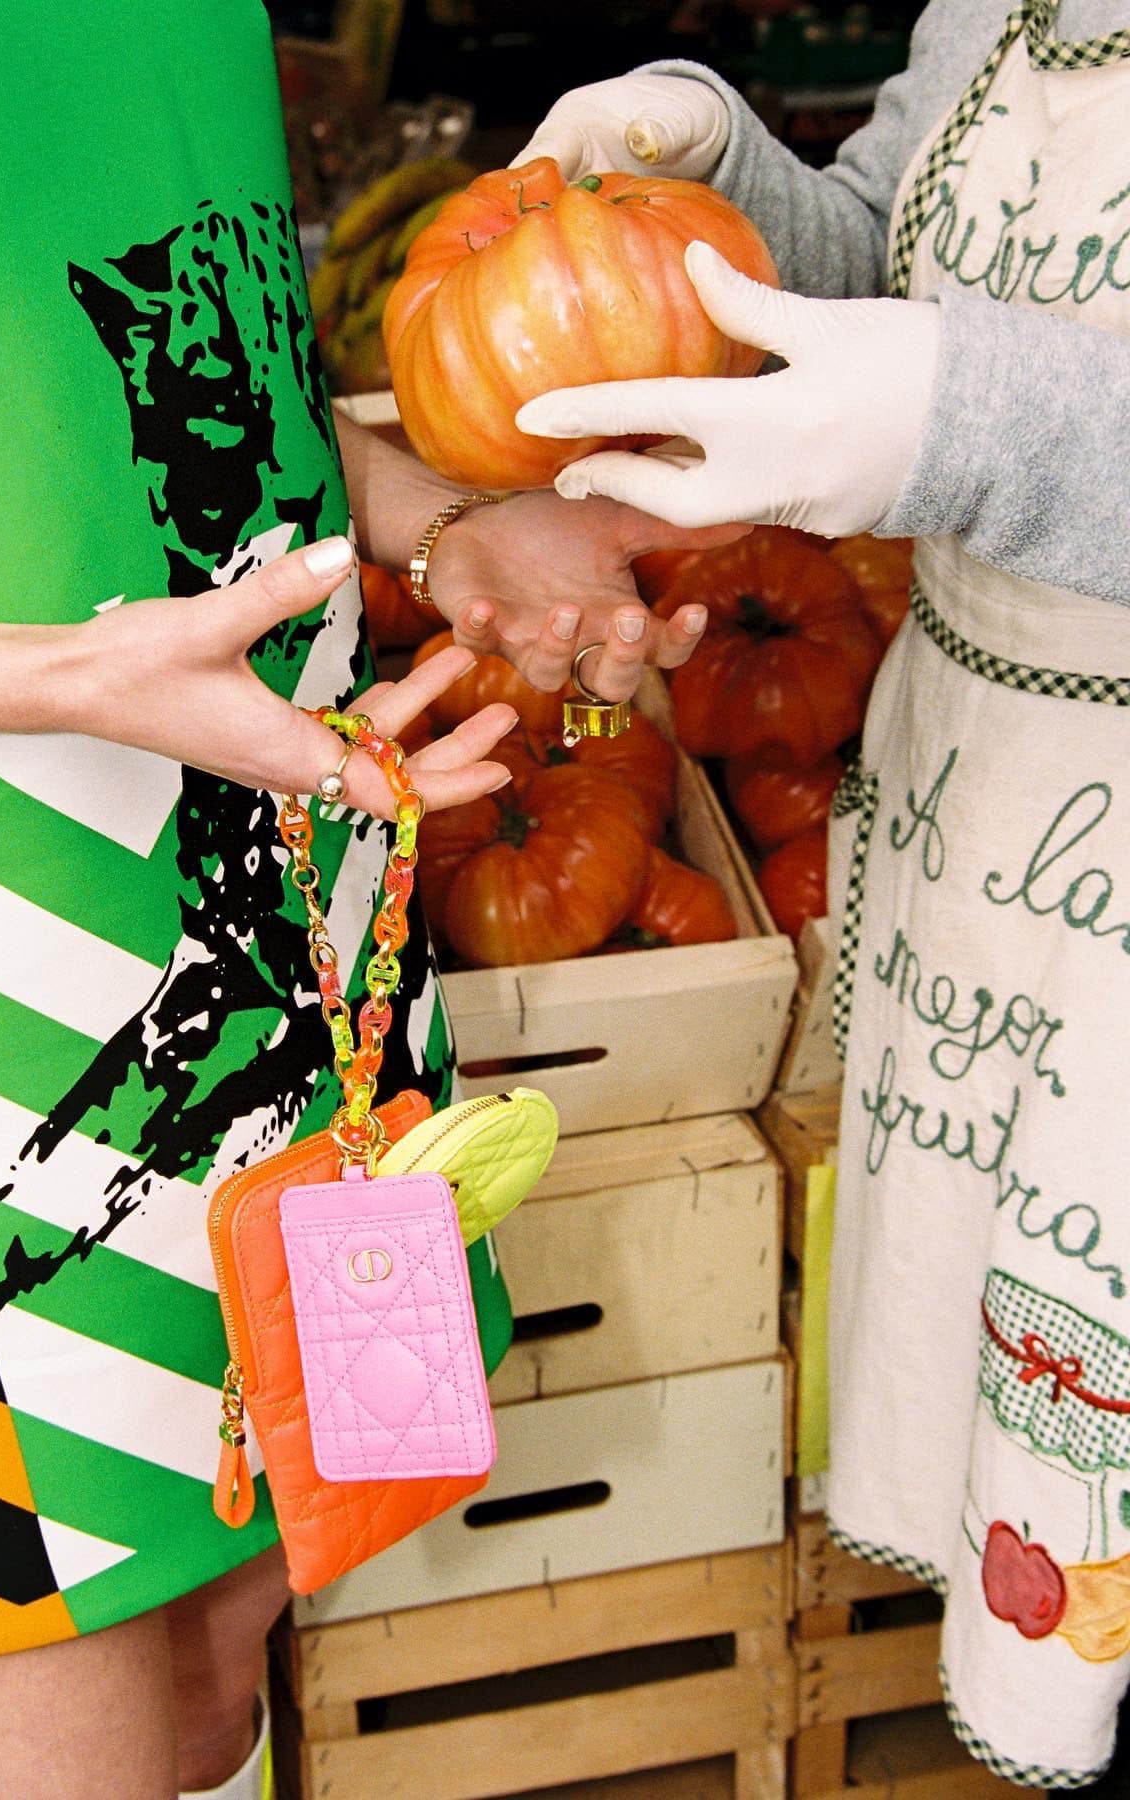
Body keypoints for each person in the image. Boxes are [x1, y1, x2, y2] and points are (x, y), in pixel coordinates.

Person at [0, 7, 723, 1797]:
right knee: (63, 1732)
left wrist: (431, 521)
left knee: (216, 1673)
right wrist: (64, 682)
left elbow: (91, 337)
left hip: (276, 885)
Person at [512, 0, 1130, 1785]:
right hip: (994, 831)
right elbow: (904, 247)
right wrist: (737, 185)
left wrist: (968, 422)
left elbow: (977, 383)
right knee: (1048, 1419)